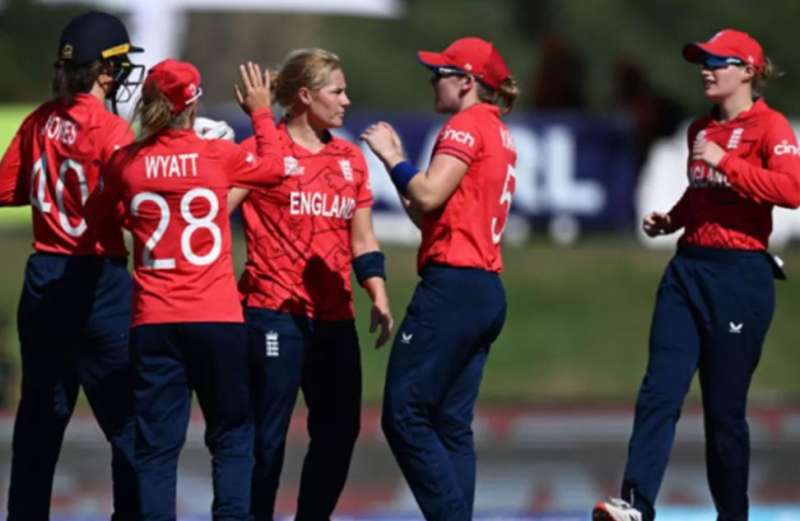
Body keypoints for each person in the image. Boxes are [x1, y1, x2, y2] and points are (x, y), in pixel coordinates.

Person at [593, 29, 800, 521]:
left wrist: (726, 162)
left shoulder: (770, 127)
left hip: (739, 276)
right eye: (702, 62)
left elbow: (792, 191)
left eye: (717, 62)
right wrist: (673, 219)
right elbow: (702, 194)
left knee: (724, 415)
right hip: (687, 271)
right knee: (658, 393)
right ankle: (636, 504)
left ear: (747, 71)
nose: (706, 70)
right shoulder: (699, 131)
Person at [84, 58, 284, 521]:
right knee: (232, 438)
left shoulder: (127, 163)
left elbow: (107, 214)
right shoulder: (217, 155)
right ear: (192, 106)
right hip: (216, 317)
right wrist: (260, 112)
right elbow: (274, 169)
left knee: (156, 450)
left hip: (154, 321)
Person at [227, 47, 393, 521]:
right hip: (273, 314)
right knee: (267, 438)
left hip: (334, 318)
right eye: (336, 91)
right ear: (305, 96)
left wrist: (377, 292)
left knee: (339, 433)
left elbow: (362, 237)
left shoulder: (350, 158)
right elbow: (212, 213)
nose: (347, 101)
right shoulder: (264, 151)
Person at [361, 36, 518, 521]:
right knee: (451, 423)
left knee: (403, 414)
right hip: (483, 288)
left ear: (467, 82)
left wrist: (393, 156)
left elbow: (427, 195)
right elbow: (430, 216)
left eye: (441, 74)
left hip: (453, 286)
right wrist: (398, 172)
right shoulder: (496, 130)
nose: (433, 81)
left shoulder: (465, 126)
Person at [0, 11, 143, 521]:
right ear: (104, 71)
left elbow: (7, 189)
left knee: (39, 425)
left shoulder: (39, 120)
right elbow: (135, 210)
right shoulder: (113, 130)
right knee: (129, 424)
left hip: (44, 278)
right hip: (99, 281)